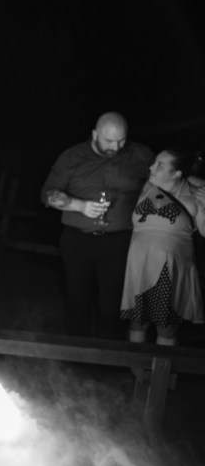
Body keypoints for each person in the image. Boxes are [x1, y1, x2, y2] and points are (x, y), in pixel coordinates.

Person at [41, 111, 154, 339]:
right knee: (77, 297)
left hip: (119, 240)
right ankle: (77, 356)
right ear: (95, 134)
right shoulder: (72, 157)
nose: (116, 146)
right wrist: (78, 205)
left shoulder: (139, 155)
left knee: (113, 301)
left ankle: (109, 357)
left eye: (121, 140)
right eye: (109, 141)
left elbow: (163, 181)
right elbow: (47, 194)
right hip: (78, 239)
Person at [120, 150, 205, 345]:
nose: (152, 167)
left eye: (160, 165)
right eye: (154, 163)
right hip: (140, 263)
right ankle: (138, 374)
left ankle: (161, 374)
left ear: (176, 173)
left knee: (165, 324)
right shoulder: (147, 185)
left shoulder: (194, 195)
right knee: (137, 321)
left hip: (171, 265)